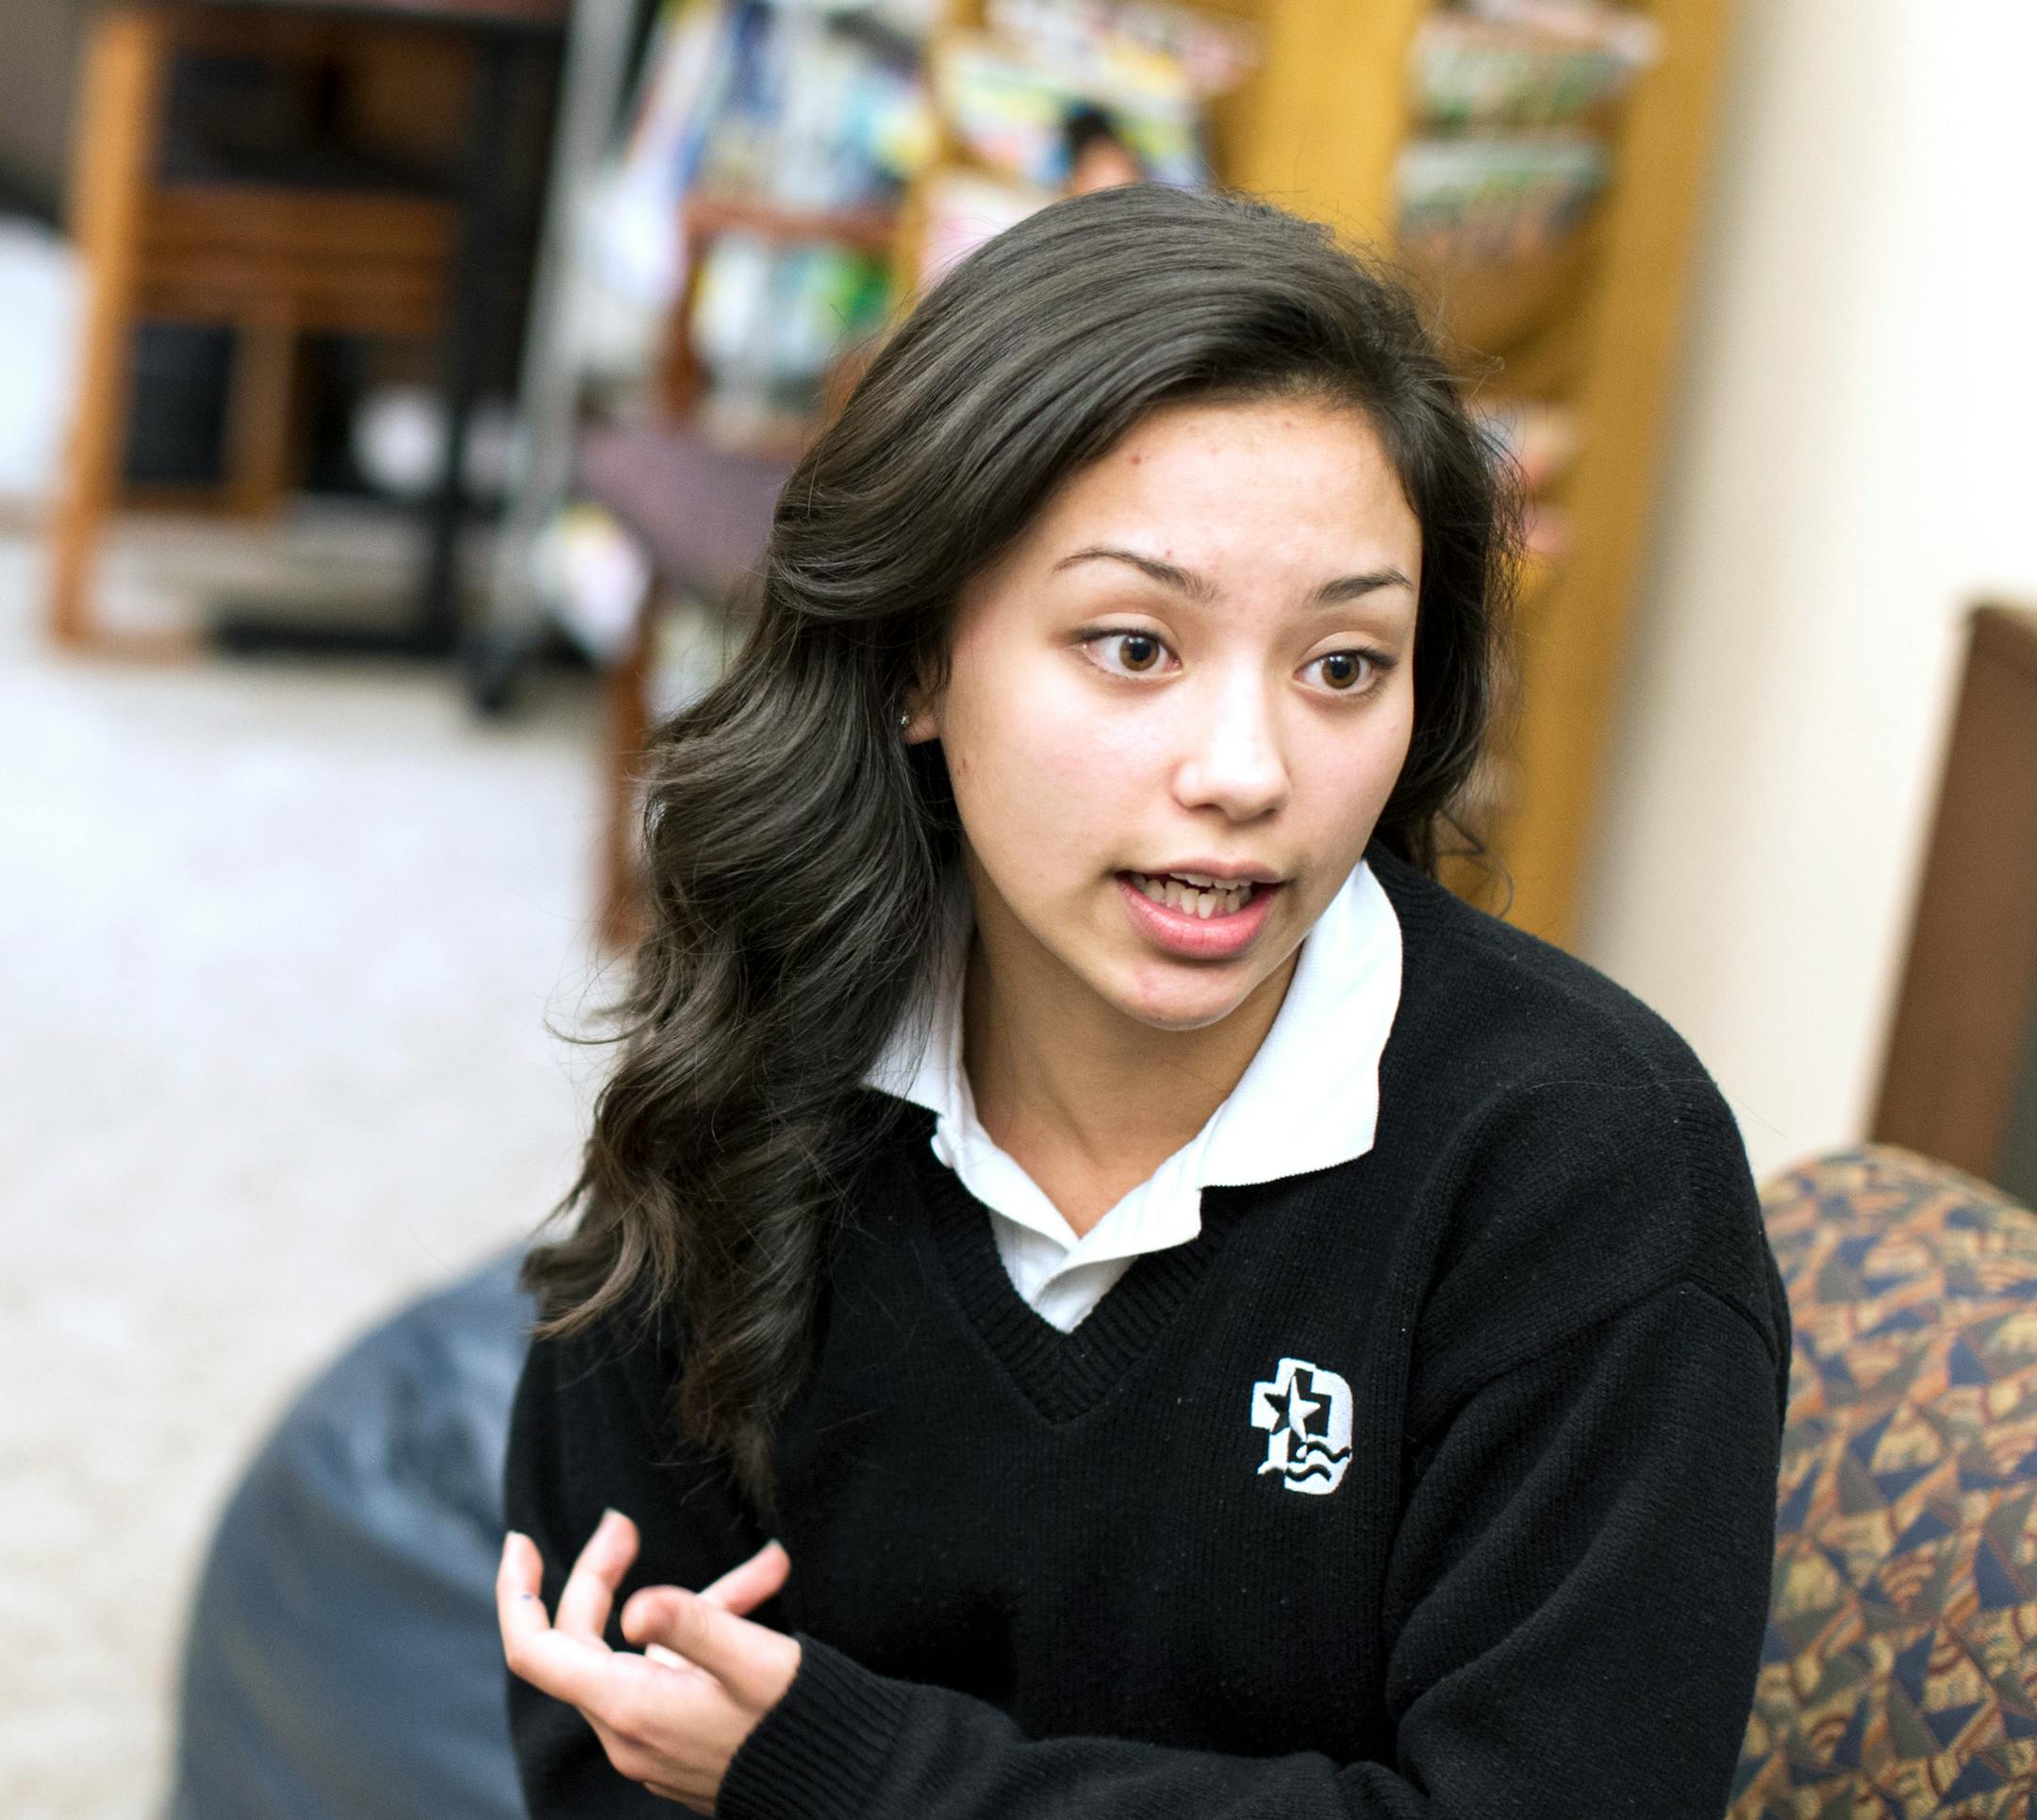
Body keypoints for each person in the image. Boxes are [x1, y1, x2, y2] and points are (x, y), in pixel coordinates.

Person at [496, 181, 1791, 1817]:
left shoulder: (1589, 1170)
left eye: (1343, 666)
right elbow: (599, 1745)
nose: (1247, 773)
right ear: (912, 659)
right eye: (1132, 645)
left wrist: (852, 1772)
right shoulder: (761, 1048)